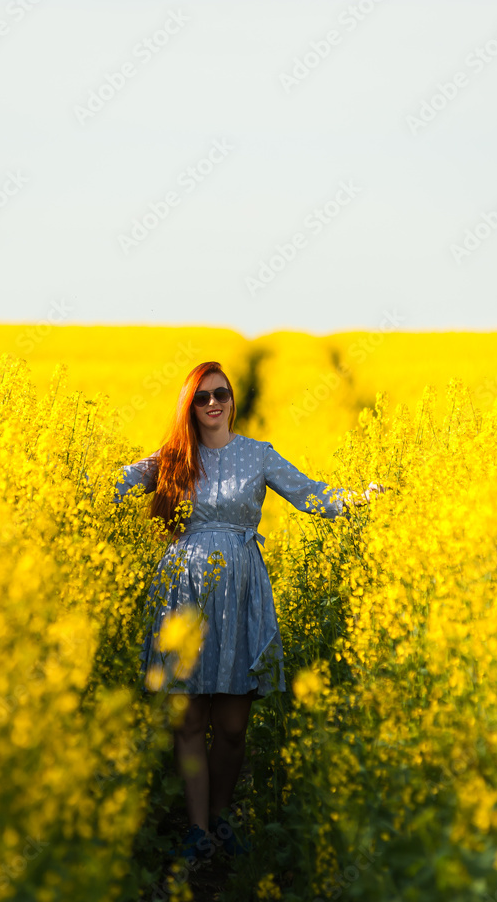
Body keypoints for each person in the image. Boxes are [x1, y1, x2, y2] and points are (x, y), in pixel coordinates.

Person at [111, 361, 385, 864]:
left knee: (234, 723)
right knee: (190, 717)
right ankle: (197, 829)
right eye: (203, 397)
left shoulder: (257, 455)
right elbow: (119, 483)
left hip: (240, 590)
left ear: (233, 400)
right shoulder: (174, 458)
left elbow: (312, 495)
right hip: (185, 589)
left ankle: (219, 816)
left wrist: (362, 501)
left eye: (222, 394)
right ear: (189, 406)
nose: (214, 403)